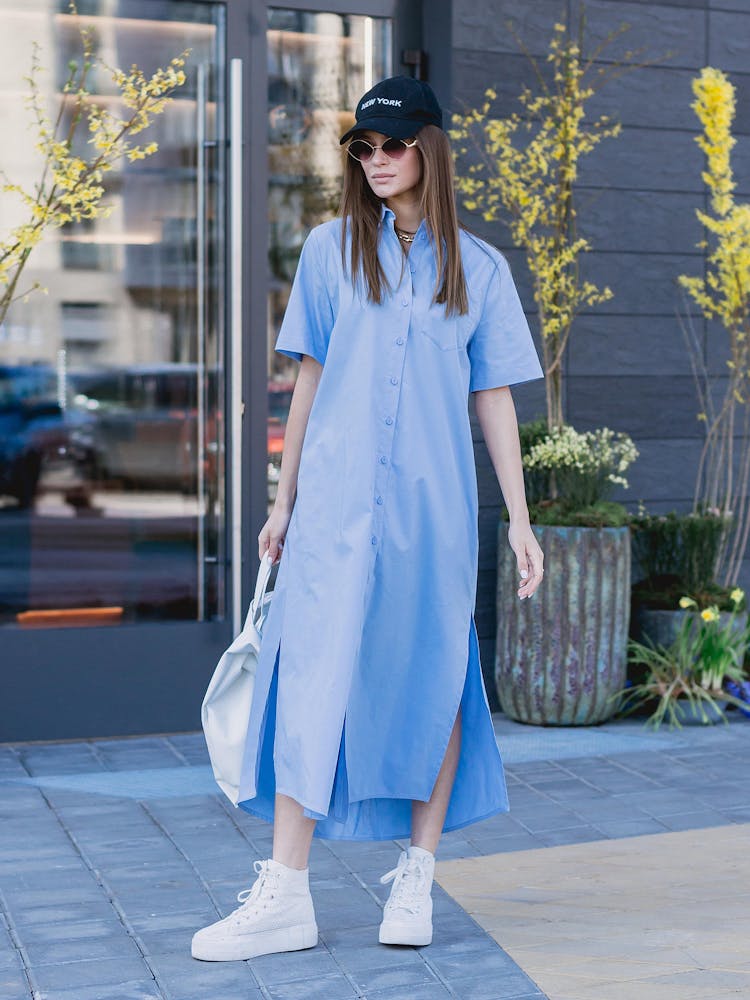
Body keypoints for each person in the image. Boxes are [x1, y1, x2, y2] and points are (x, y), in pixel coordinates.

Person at [192, 75, 544, 964]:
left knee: (435, 673)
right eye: (364, 148)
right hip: (336, 509)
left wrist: (521, 520)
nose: (378, 161)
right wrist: (282, 502)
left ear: (429, 148)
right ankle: (285, 891)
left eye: (393, 145)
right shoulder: (329, 251)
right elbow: (306, 382)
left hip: (435, 514)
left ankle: (418, 872)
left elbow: (493, 398)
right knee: (310, 672)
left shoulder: (482, 267)